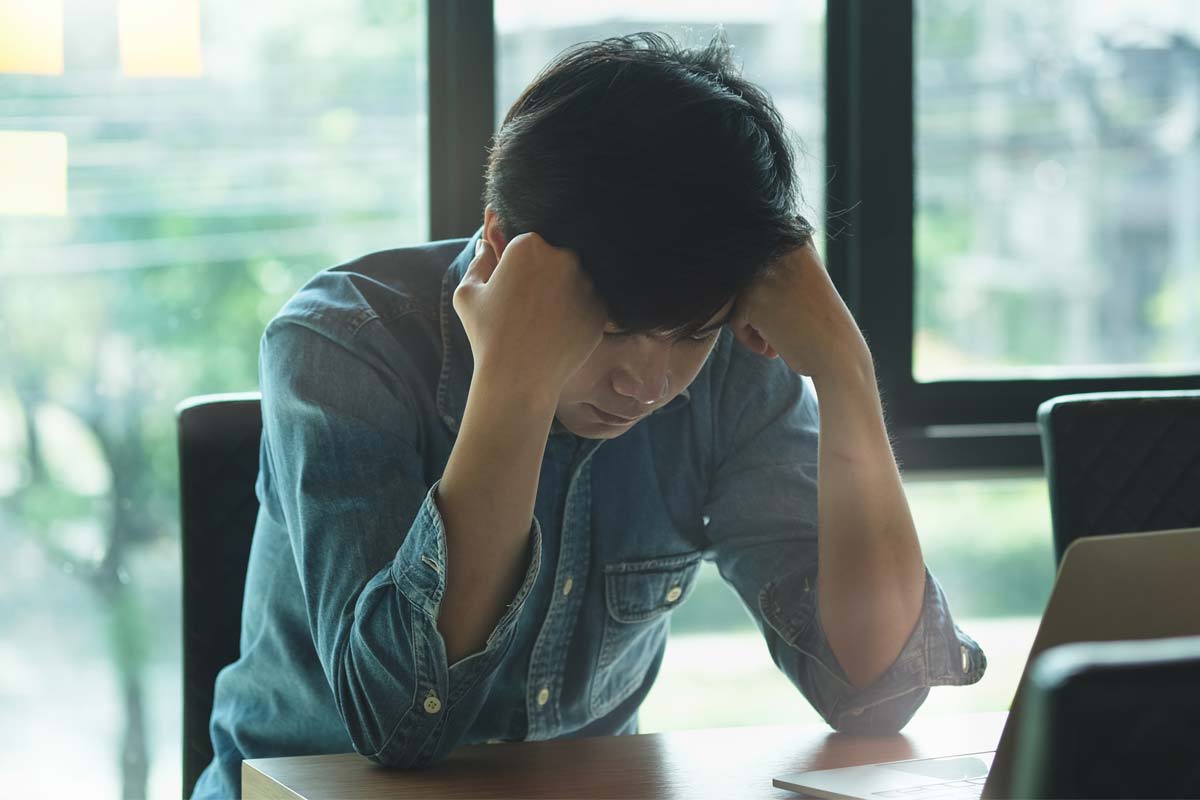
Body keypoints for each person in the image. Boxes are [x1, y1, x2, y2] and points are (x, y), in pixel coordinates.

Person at [191, 30, 985, 799]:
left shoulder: (732, 364)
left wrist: (845, 370)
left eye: (690, 334)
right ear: (500, 246)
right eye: (609, 329)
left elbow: (874, 694)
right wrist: (516, 381)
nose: (647, 382)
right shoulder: (343, 345)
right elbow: (401, 725)